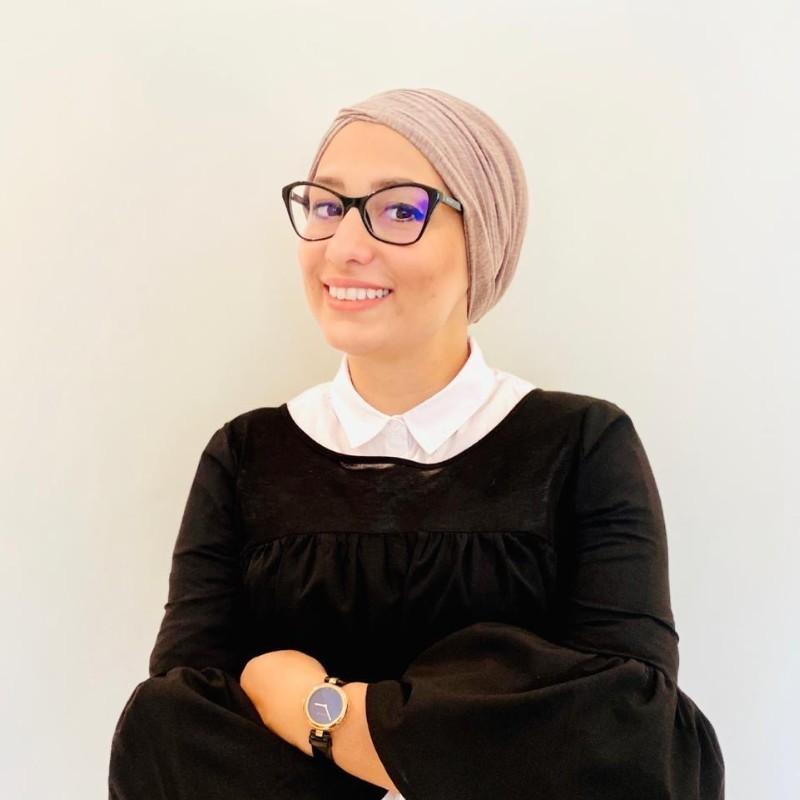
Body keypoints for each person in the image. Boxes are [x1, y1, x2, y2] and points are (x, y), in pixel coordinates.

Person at [108, 87, 725, 800]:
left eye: (401, 211)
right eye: (327, 206)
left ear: (483, 238)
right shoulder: (244, 456)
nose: (345, 246)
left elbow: (633, 736)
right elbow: (175, 742)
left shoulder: (582, 446)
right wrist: (486, 732)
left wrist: (319, 712)